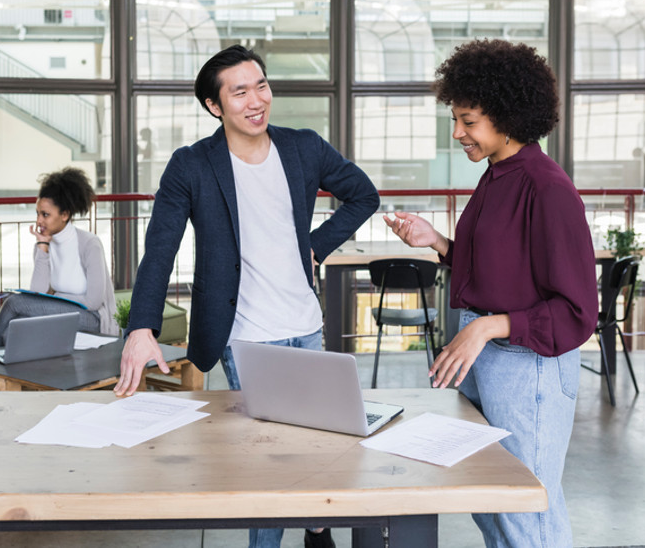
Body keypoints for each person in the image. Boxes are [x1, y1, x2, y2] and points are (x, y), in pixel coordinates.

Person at [114, 44, 380, 548]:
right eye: (240, 91)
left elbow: (364, 194)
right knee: (272, 456)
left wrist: (315, 246)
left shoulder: (303, 147)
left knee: (319, 442)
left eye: (261, 85)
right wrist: (141, 327)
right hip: (248, 336)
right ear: (216, 106)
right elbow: (159, 248)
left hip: (306, 322)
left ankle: (317, 528)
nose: (256, 99)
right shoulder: (191, 165)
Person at [384, 39, 597, 548]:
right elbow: (502, 272)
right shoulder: (497, 176)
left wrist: (487, 326)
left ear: (507, 116)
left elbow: (577, 313)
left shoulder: (547, 189)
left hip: (531, 368)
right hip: (488, 359)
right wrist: (436, 242)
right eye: (455, 119)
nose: (457, 132)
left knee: (527, 509)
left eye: (469, 121)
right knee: (489, 503)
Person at [0, 167, 116, 347]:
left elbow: (93, 302)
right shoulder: (44, 246)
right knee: (11, 331)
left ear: (65, 215)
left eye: (45, 215)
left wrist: (58, 295)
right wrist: (43, 247)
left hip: (92, 319)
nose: (39, 221)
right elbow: (38, 293)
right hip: (65, 313)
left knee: (13, 302)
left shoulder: (89, 244)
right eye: (38, 214)